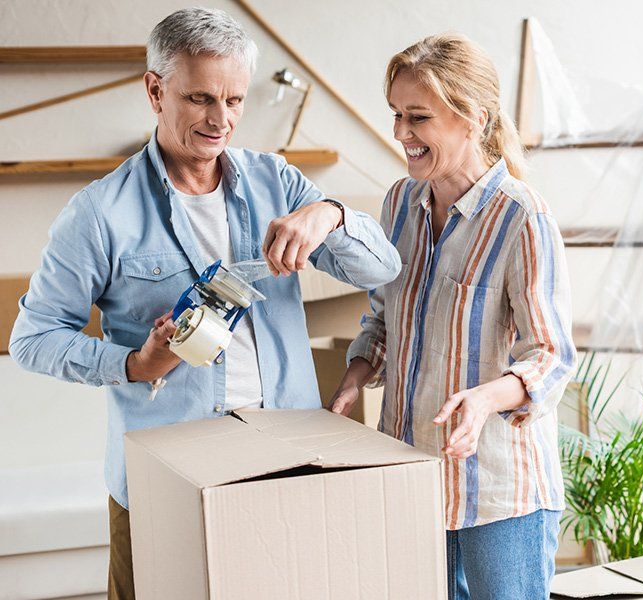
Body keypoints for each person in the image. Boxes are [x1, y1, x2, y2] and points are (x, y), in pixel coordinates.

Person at [9, 7, 400, 599]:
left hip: (284, 466)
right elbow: (31, 340)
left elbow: (382, 268)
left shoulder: (279, 183)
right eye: (200, 99)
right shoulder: (99, 213)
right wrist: (134, 365)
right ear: (154, 90)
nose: (222, 120)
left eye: (236, 101)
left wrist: (330, 214)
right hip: (165, 481)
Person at [330, 33, 576, 600]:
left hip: (498, 493)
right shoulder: (399, 203)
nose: (400, 134)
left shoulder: (522, 217)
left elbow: (552, 357)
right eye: (396, 115)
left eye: (418, 117)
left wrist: (486, 397)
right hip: (409, 474)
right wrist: (358, 373)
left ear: (472, 118)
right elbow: (385, 316)